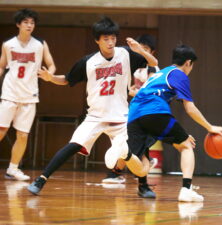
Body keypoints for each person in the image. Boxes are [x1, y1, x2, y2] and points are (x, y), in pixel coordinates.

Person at [27, 16, 158, 195]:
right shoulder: (88, 62)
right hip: (95, 116)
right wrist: (51, 79)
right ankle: (41, 180)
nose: (111, 42)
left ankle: (143, 186)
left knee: (140, 146)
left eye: (113, 38)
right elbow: (67, 79)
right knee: (72, 145)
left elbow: (153, 63)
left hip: (121, 116)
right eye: (106, 39)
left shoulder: (126, 53)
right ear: (97, 40)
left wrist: (140, 51)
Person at [127, 44, 222, 202]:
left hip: (133, 115)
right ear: (188, 63)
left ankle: (123, 155)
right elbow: (190, 108)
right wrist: (210, 127)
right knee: (186, 145)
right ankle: (186, 190)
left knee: (141, 164)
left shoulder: (160, 73)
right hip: (154, 111)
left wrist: (180, 135)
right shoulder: (179, 74)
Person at [0, 8, 56, 181]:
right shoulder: (8, 44)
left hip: (29, 95)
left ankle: (13, 168)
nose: (29, 25)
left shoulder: (40, 44)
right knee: (1, 129)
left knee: (23, 134)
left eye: (32, 22)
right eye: (26, 22)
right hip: (10, 92)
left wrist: (49, 75)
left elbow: (52, 65)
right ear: (18, 24)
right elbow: (2, 65)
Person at [102, 34, 159, 186]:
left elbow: (149, 91)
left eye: (145, 49)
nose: (140, 50)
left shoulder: (152, 67)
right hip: (133, 109)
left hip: (149, 111)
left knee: (131, 142)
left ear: (151, 52)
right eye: (139, 47)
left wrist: (134, 92)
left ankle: (116, 173)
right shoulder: (132, 64)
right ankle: (140, 168)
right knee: (128, 142)